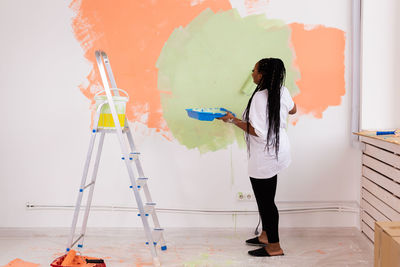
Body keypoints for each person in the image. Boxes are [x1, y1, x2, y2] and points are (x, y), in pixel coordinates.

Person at [217, 58, 296, 257]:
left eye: (254, 70)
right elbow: (293, 109)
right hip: (278, 151)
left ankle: (274, 247)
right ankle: (265, 236)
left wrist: (231, 120)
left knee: (267, 203)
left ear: (261, 75)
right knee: (266, 199)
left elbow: (257, 131)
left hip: (265, 156)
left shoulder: (261, 97)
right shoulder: (282, 91)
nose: (252, 73)